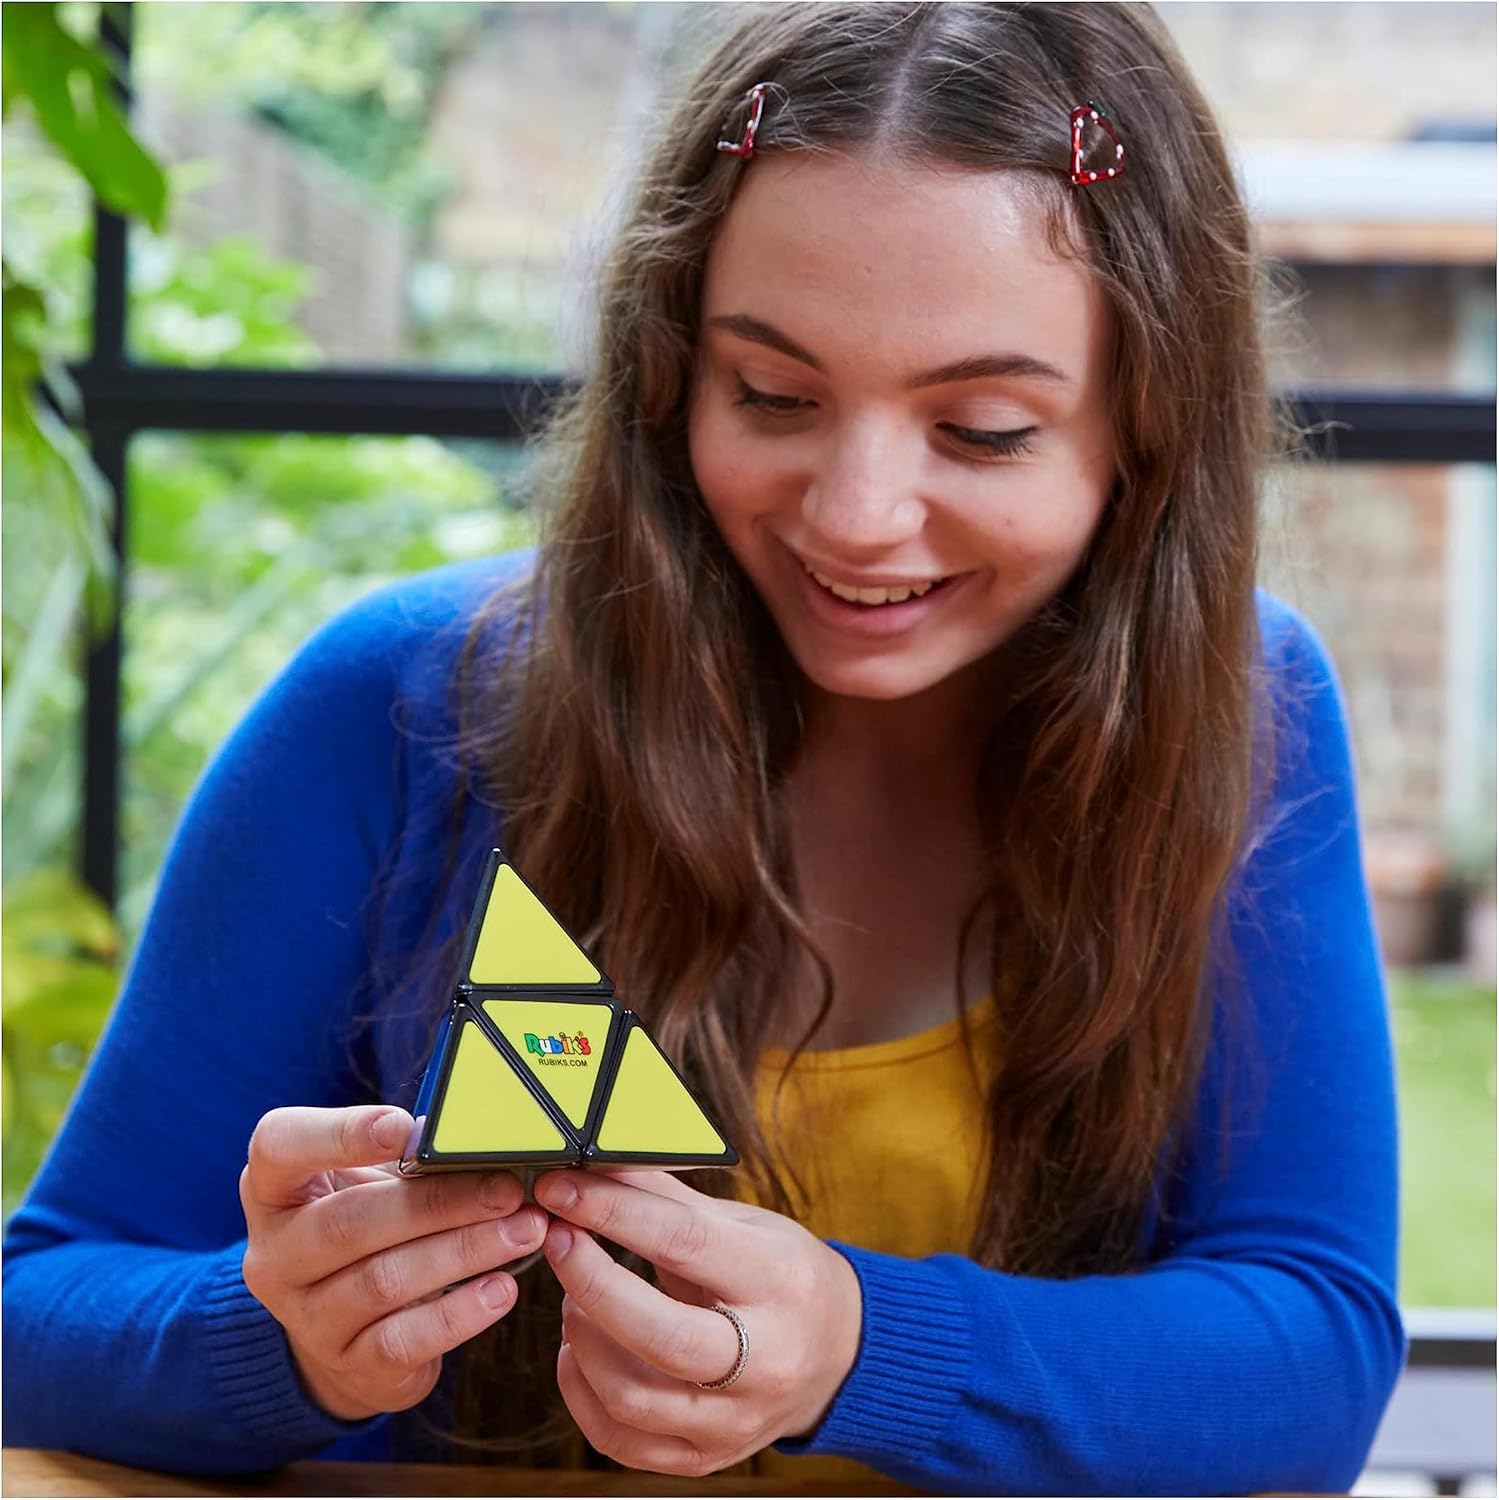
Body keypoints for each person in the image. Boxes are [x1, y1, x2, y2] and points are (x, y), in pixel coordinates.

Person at [3, 3, 1405, 1492]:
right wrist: (271, 1330)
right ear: (672, 374)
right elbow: (39, 1313)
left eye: (984, 428)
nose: (858, 514)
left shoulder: (1252, 718)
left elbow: (1311, 1354)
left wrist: (866, 1346)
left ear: (1147, 427)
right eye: (774, 396)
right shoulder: (399, 708)